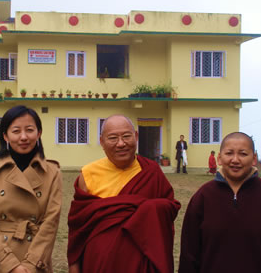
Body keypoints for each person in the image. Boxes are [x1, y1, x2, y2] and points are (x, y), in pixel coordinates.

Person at [67, 115, 181, 273]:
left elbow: (167, 214)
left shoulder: (151, 172)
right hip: (98, 265)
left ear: (136, 136)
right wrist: (74, 267)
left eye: (126, 136)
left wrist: (150, 208)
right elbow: (77, 229)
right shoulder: (88, 175)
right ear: (101, 142)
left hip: (140, 264)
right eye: (112, 138)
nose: (121, 144)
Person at [178, 132, 261, 273]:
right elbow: (189, 256)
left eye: (243, 154)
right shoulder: (203, 197)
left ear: (254, 159)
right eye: (229, 153)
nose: (235, 160)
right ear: (219, 158)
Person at [0, 105, 62, 273]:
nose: (23, 137)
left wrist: (30, 265)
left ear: (39, 133)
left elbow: (50, 225)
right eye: (15, 131)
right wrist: (11, 266)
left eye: (29, 130)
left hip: (35, 261)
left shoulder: (52, 172)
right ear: (5, 135)